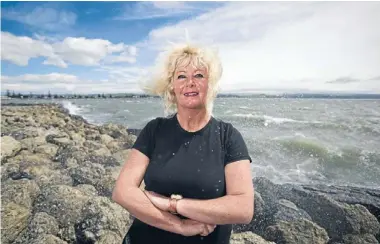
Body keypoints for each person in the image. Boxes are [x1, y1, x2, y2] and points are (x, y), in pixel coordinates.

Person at [112, 43, 254, 244]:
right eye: (181, 76)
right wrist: (180, 226)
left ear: (210, 84)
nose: (190, 82)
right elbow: (122, 192)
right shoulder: (155, 130)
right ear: (172, 87)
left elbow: (243, 208)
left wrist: (174, 204)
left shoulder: (228, 136)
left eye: (198, 75)